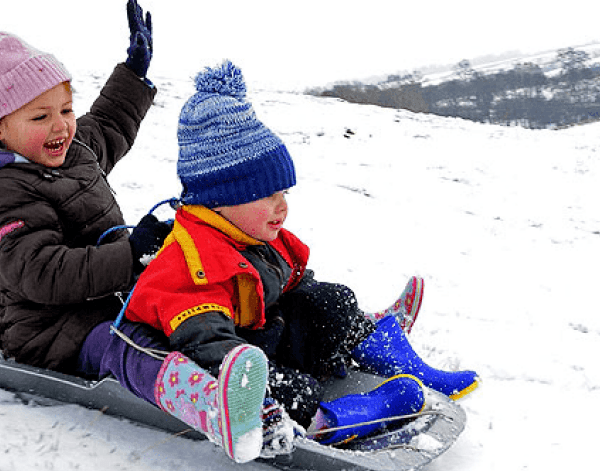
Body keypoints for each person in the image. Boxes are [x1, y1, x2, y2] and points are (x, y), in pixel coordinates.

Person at [0, 2, 282, 465]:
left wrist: (133, 71)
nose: (61, 124)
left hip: (114, 297)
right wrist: (129, 255)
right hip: (54, 330)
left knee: (186, 299)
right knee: (130, 348)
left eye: (65, 108)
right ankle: (212, 408)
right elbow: (40, 271)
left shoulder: (71, 149)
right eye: (40, 116)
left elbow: (107, 123)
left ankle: (241, 368)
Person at [121, 61, 480, 449]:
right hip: (229, 355)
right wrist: (266, 377)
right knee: (263, 379)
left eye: (284, 195)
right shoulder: (188, 264)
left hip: (261, 333)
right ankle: (329, 422)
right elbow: (210, 349)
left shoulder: (255, 234)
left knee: (329, 299)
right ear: (219, 198)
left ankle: (396, 359)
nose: (282, 207)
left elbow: (297, 286)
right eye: (268, 195)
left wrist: (333, 327)